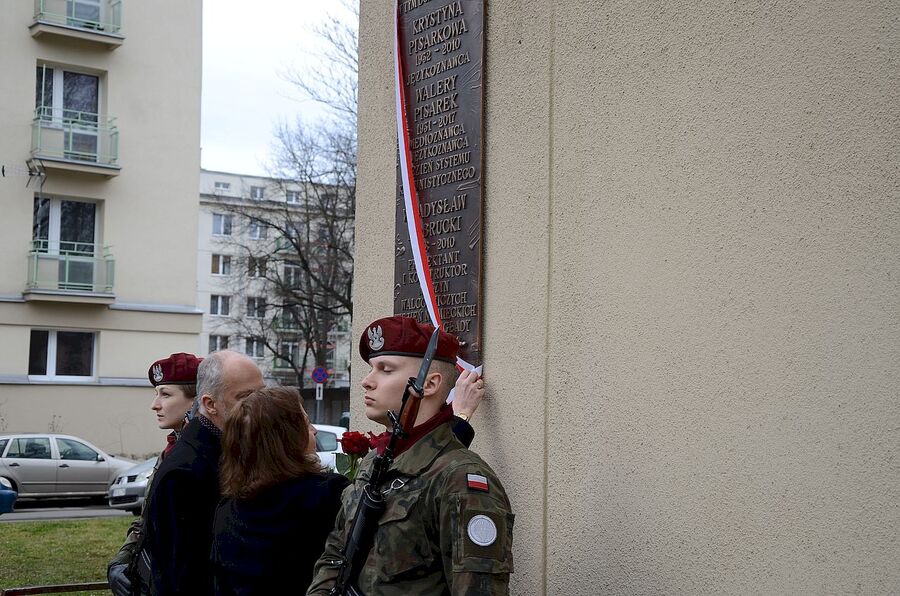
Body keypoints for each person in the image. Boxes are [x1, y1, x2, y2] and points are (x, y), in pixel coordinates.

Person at [307, 316, 514, 595]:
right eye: (371, 369)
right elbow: (334, 554)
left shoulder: (460, 479)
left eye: (385, 369)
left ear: (429, 384)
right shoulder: (373, 463)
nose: (367, 382)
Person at [139, 350, 265, 596]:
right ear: (210, 404)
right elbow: (185, 575)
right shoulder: (186, 471)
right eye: (246, 396)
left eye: (263, 393)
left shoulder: (229, 448)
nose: (261, 405)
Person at [211, 387, 349, 595]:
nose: (314, 430)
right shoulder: (329, 494)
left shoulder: (228, 509)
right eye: (305, 422)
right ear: (288, 437)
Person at [107, 352, 202, 596]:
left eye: (166, 394)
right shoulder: (170, 451)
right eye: (156, 394)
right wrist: (121, 560)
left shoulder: (208, 456)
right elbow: (147, 520)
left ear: (197, 401)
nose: (155, 404)